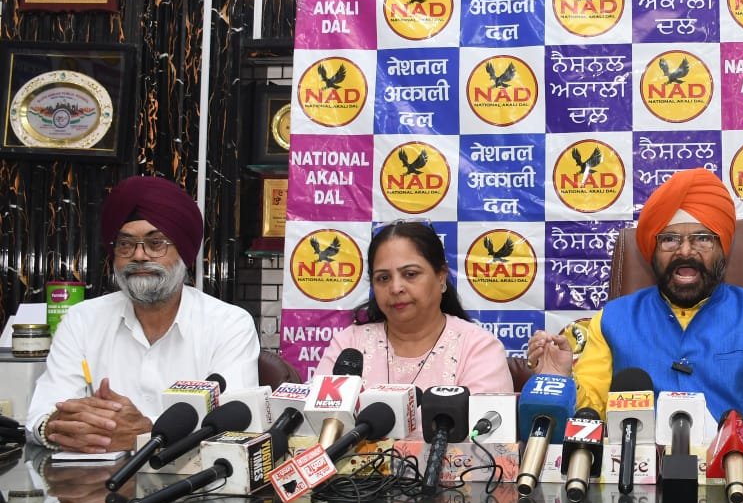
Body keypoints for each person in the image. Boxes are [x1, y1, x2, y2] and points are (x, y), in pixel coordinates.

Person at [526, 168, 743, 424]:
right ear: (653, 250)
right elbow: (590, 414)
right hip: (634, 463)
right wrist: (559, 381)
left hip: (735, 464)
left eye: (703, 238)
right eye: (670, 239)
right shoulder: (612, 320)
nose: (685, 251)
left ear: (722, 249)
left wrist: (739, 454)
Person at [27, 176, 260, 453]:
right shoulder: (82, 319)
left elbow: (236, 428)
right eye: (125, 244)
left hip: (192, 479)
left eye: (156, 243)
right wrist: (56, 426)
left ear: (184, 252)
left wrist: (147, 434)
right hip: (90, 476)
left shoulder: (229, 324)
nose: (138, 256)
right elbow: (41, 414)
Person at [314, 221, 512, 421]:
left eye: (410, 274)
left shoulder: (478, 348)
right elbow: (318, 426)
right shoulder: (349, 345)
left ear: (441, 277)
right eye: (383, 278)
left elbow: (486, 435)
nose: (395, 288)